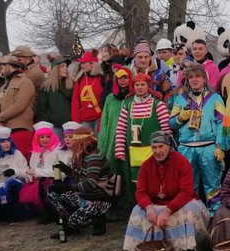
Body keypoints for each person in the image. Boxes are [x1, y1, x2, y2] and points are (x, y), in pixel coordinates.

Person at [123, 131, 211, 251]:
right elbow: (140, 192)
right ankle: (149, 248)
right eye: (154, 147)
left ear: (169, 147)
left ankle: (184, 249)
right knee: (137, 211)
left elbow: (187, 192)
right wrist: (148, 207)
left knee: (190, 210)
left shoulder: (182, 162)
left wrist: (167, 211)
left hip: (180, 203)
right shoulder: (146, 165)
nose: (157, 151)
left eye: (161, 146)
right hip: (156, 203)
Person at [170, 63, 229, 209]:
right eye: (191, 77)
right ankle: (192, 220)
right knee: (188, 188)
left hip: (209, 148)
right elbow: (171, 123)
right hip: (186, 149)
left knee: (213, 187)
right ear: (187, 80)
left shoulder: (215, 98)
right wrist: (180, 117)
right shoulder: (180, 99)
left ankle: (214, 220)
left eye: (198, 76)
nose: (194, 80)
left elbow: (223, 123)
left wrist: (219, 145)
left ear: (204, 79)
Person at [46, 126, 114, 239]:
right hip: (87, 195)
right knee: (52, 191)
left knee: (75, 221)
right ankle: (71, 222)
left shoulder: (93, 157)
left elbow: (90, 184)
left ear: (81, 141)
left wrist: (68, 187)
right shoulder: (84, 154)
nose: (70, 141)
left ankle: (98, 217)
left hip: (99, 198)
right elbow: (81, 177)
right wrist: (66, 170)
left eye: (72, 138)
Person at [115, 72, 172, 200]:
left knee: (155, 181)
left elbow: (166, 130)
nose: (139, 87)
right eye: (137, 85)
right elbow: (120, 129)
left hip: (155, 152)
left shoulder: (158, 105)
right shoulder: (127, 105)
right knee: (138, 183)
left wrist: (168, 150)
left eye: (143, 84)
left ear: (148, 87)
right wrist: (119, 150)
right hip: (134, 152)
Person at [97, 64, 133, 197]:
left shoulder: (133, 97)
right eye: (119, 78)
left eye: (125, 77)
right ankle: (113, 200)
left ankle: (130, 199)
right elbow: (105, 120)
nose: (123, 80)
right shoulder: (110, 99)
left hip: (129, 138)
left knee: (128, 169)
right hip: (113, 138)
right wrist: (103, 141)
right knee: (113, 168)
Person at [0, 53, 37, 154]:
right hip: (5, 131)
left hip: (20, 129)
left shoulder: (25, 82)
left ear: (8, 66)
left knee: (22, 161)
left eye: (2, 67)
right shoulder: (4, 85)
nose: (1, 70)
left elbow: (20, 105)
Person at [21, 121, 64, 216]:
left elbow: (56, 172)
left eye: (48, 137)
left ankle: (51, 212)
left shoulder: (57, 151)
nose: (45, 140)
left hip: (54, 179)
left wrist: (37, 172)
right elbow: (32, 167)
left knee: (45, 184)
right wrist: (30, 175)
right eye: (42, 137)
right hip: (39, 179)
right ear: (37, 138)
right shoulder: (35, 152)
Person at [71, 50, 105, 131]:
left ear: (92, 64)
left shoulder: (102, 80)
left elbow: (105, 101)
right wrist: (76, 121)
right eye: (81, 63)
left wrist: (103, 119)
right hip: (84, 120)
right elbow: (75, 101)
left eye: (84, 63)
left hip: (99, 118)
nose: (81, 65)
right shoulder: (79, 81)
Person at [36, 59, 74, 131]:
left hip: (70, 126)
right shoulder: (46, 87)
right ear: (55, 69)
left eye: (66, 66)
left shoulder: (72, 84)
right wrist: (47, 124)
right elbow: (42, 108)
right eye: (62, 66)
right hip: (53, 126)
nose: (66, 69)